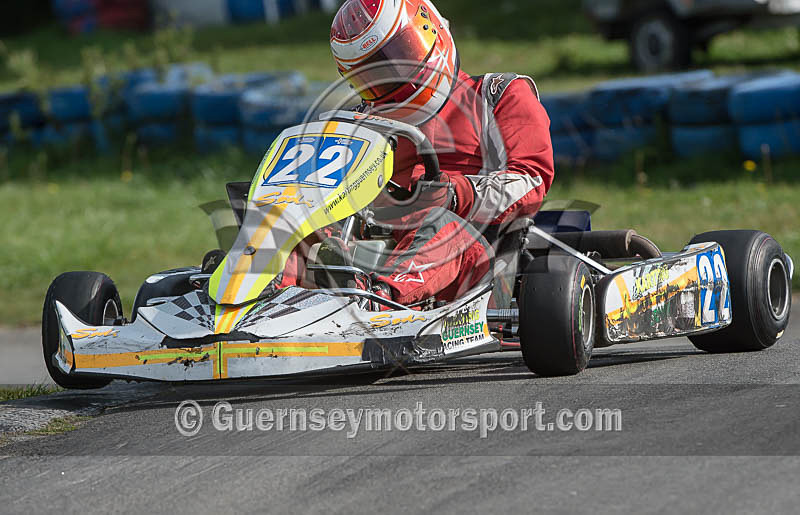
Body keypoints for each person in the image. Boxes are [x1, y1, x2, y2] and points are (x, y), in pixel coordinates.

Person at [283, 0, 555, 307]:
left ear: (430, 29)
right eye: (375, 74)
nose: (397, 77)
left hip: (474, 252)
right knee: (298, 226)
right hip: (376, 242)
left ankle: (376, 300)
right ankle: (263, 297)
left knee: (439, 223)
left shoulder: (497, 95)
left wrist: (456, 194)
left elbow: (531, 179)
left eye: (402, 54)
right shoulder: (362, 122)